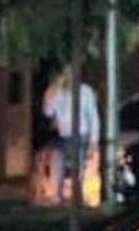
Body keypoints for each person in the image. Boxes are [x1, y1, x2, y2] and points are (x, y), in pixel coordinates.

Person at [43, 66, 101, 204]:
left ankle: (78, 198)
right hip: (61, 135)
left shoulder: (85, 91)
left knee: (78, 168)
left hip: (80, 135)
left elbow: (93, 116)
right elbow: (48, 112)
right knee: (57, 167)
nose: (67, 76)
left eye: (70, 73)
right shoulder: (56, 91)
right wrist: (55, 90)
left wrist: (94, 140)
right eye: (64, 73)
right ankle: (57, 198)